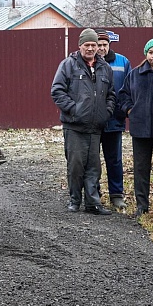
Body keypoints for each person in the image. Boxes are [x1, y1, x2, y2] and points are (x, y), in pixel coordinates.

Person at [51, 28, 116, 215]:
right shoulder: (68, 65)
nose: (90, 48)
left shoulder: (105, 68)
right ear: (80, 46)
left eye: (93, 45)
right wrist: (74, 109)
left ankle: (92, 203)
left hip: (96, 127)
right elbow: (57, 91)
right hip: (75, 126)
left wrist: (106, 112)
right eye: (87, 45)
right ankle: (74, 201)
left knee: (94, 167)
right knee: (76, 165)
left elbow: (111, 94)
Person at [118, 38, 153, 220]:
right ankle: (142, 206)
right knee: (141, 169)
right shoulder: (135, 74)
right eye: (150, 52)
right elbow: (123, 95)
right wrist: (130, 110)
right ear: (146, 54)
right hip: (140, 129)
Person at [95, 30, 131, 210]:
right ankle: (94, 193)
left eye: (104, 45)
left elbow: (128, 89)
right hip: (92, 121)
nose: (101, 48)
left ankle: (116, 195)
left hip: (114, 121)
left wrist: (124, 111)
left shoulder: (122, 62)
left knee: (114, 160)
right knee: (93, 160)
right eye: (98, 45)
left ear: (109, 45)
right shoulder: (89, 62)